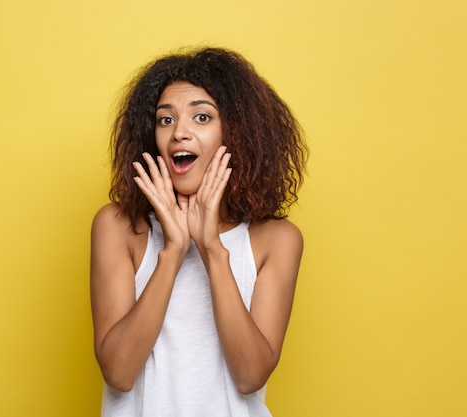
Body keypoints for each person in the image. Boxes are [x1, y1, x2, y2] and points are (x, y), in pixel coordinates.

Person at [90, 46, 308, 417]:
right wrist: (173, 251)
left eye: (202, 117)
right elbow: (119, 372)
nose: (179, 134)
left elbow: (250, 376)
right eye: (165, 120)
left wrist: (210, 247)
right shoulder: (118, 227)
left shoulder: (277, 240)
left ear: (237, 134)